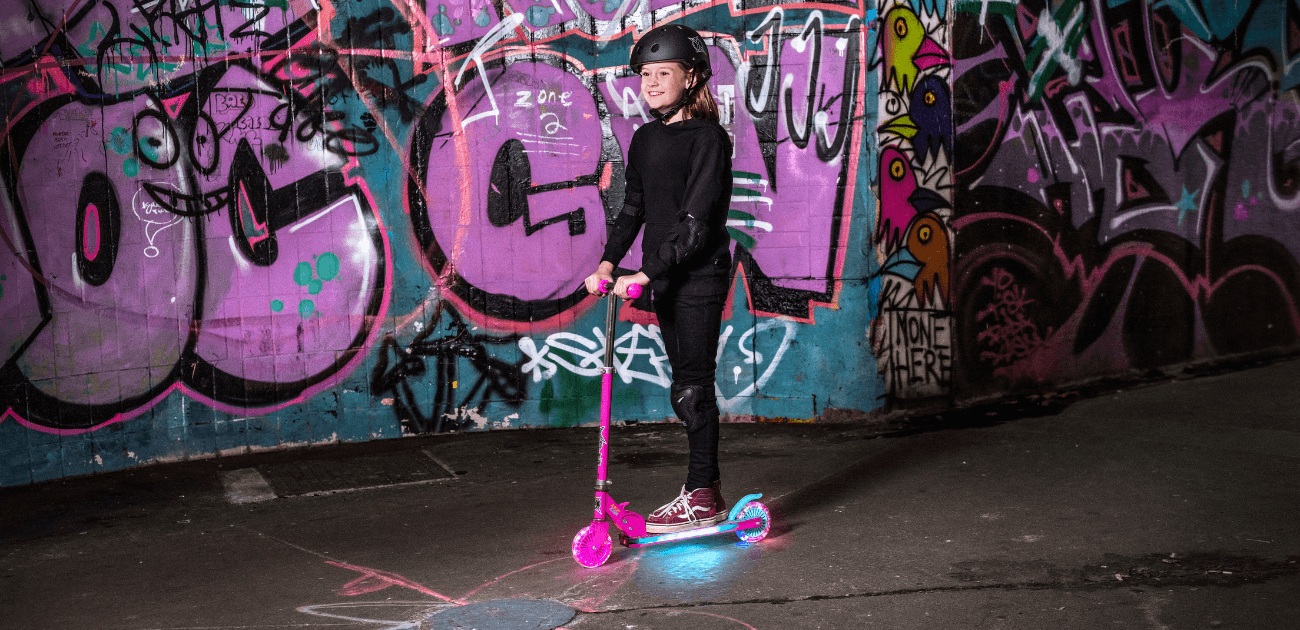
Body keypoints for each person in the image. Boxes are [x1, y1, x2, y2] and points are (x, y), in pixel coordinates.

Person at [583, 23, 733, 534]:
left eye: (662, 73)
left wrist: (645, 273)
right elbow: (634, 208)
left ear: (691, 77)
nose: (649, 83)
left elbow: (696, 223)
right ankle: (703, 489)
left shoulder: (709, 139)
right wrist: (608, 262)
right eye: (645, 74)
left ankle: (703, 495)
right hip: (662, 277)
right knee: (681, 388)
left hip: (697, 277)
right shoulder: (645, 138)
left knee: (693, 389)